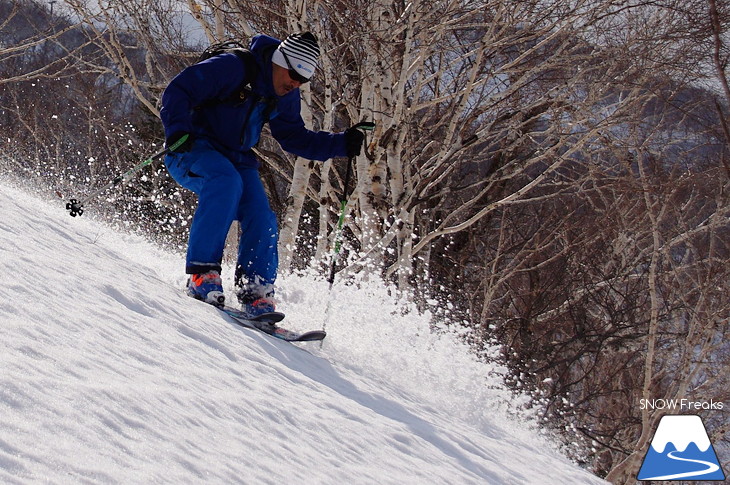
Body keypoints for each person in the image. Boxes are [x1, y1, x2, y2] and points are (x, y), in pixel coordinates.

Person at [160, 32, 365, 317]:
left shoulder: (285, 95)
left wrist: (341, 143)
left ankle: (255, 288)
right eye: (293, 74)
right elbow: (178, 90)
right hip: (192, 147)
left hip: (236, 158)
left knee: (261, 214)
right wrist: (178, 130)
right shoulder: (233, 67)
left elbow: (294, 137)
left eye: (303, 80)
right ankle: (201, 274)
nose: (295, 83)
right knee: (225, 182)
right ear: (278, 62)